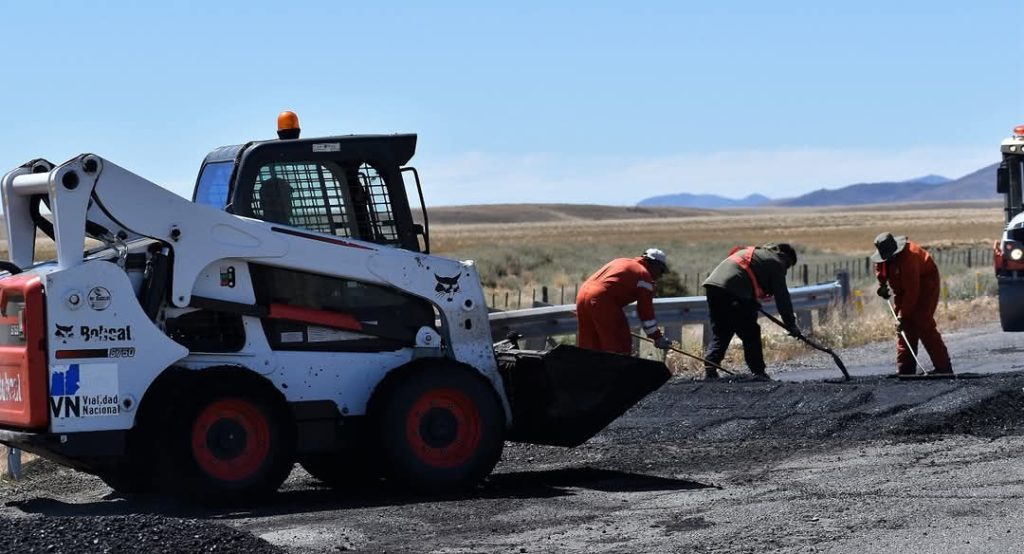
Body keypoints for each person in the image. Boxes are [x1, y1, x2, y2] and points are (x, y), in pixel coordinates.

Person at [702, 243, 800, 380]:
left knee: (723, 330)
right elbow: (782, 296)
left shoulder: (757, 254)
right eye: (787, 266)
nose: (785, 270)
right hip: (733, 290)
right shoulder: (775, 262)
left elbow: (748, 277)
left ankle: (711, 365)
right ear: (783, 256)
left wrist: (751, 303)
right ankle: (758, 372)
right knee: (751, 331)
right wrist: (791, 324)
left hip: (713, 287)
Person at [872, 232, 953, 376]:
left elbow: (912, 292)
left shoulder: (910, 257)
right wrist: (882, 285)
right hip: (903, 289)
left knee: (922, 321)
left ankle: (943, 368)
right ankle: (905, 370)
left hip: (926, 283)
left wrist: (902, 316)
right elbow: (881, 270)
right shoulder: (884, 257)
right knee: (905, 328)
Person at [576, 249, 672, 355]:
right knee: (620, 344)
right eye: (661, 271)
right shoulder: (644, 276)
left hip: (582, 295)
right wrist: (657, 337)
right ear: (654, 265)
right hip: (602, 300)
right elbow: (645, 312)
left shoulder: (621, 261)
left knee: (590, 345)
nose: (661, 275)